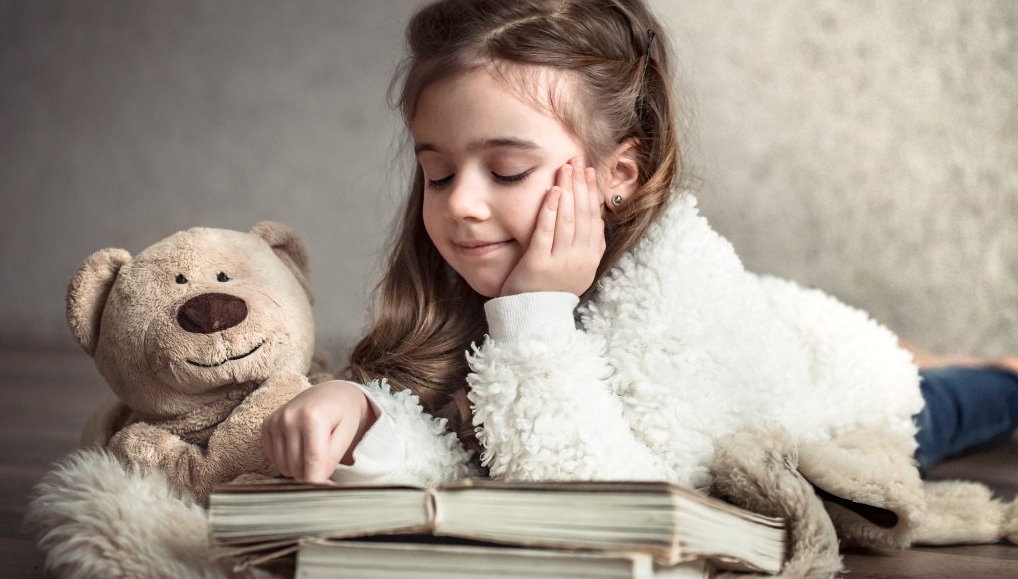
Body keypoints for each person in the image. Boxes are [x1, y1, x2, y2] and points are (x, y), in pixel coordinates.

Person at [262, 0, 1018, 490]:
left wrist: (535, 315)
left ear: (615, 173)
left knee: (951, 401)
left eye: (507, 169)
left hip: (828, 378)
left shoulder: (677, 301)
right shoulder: (458, 276)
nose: (461, 202)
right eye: (436, 171)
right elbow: (455, 444)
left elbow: (601, 497)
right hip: (771, 316)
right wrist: (364, 414)